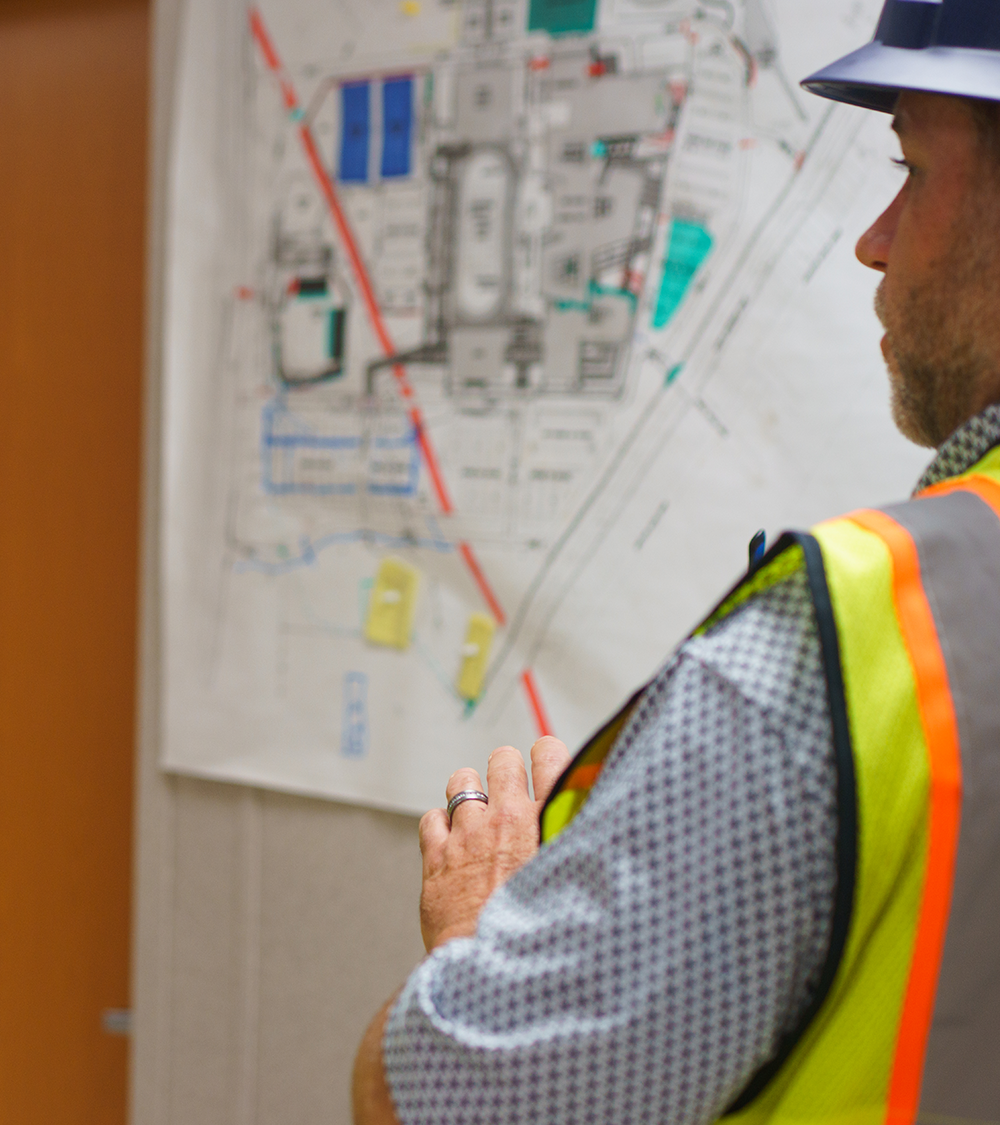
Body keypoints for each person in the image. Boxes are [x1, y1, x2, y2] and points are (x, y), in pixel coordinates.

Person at [350, 4, 1000, 1122]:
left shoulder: (855, 635)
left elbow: (428, 1103)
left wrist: (482, 931)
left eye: (913, 168)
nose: (875, 238)